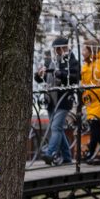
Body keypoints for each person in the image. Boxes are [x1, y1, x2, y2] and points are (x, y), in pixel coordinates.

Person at [35, 36, 81, 166]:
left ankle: (50, 153)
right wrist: (39, 75)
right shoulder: (51, 60)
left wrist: (60, 74)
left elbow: (76, 77)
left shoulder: (72, 61)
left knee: (56, 127)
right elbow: (41, 79)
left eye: (58, 49)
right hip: (51, 99)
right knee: (58, 129)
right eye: (55, 49)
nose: (56, 52)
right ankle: (67, 157)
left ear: (64, 48)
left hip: (63, 99)